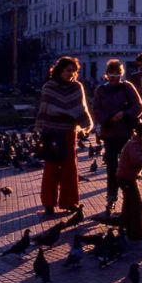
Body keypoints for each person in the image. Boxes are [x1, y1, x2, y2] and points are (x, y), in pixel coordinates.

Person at [36, 57, 94, 216]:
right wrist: (40, 129)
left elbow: (81, 108)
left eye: (74, 71)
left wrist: (87, 126)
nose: (71, 74)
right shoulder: (49, 87)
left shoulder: (77, 87)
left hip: (69, 132)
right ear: (60, 70)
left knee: (70, 168)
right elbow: (44, 108)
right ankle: (48, 204)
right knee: (51, 168)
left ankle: (69, 202)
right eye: (68, 70)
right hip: (51, 132)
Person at [92, 60, 142, 212]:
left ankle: (130, 198)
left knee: (128, 167)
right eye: (112, 75)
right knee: (111, 167)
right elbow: (96, 110)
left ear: (122, 74)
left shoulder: (127, 87)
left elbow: (139, 106)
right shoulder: (100, 91)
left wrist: (125, 114)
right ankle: (111, 198)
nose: (115, 78)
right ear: (106, 75)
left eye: (118, 75)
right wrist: (109, 118)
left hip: (126, 133)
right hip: (109, 134)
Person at [115, 120, 142, 240]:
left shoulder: (137, 143)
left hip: (126, 177)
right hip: (127, 178)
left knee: (129, 204)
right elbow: (137, 159)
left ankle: (124, 227)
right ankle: (136, 233)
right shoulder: (135, 145)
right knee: (136, 205)